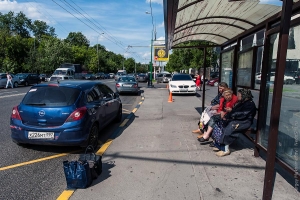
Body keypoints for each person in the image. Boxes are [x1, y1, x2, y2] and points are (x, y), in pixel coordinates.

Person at [211, 88, 257, 157]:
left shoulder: (250, 104)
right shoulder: (242, 102)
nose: (238, 96)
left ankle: (225, 150)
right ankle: (220, 145)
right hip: (239, 120)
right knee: (221, 123)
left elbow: (243, 114)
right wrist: (230, 112)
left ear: (244, 95)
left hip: (244, 122)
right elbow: (236, 112)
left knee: (230, 128)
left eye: (239, 95)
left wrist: (232, 115)